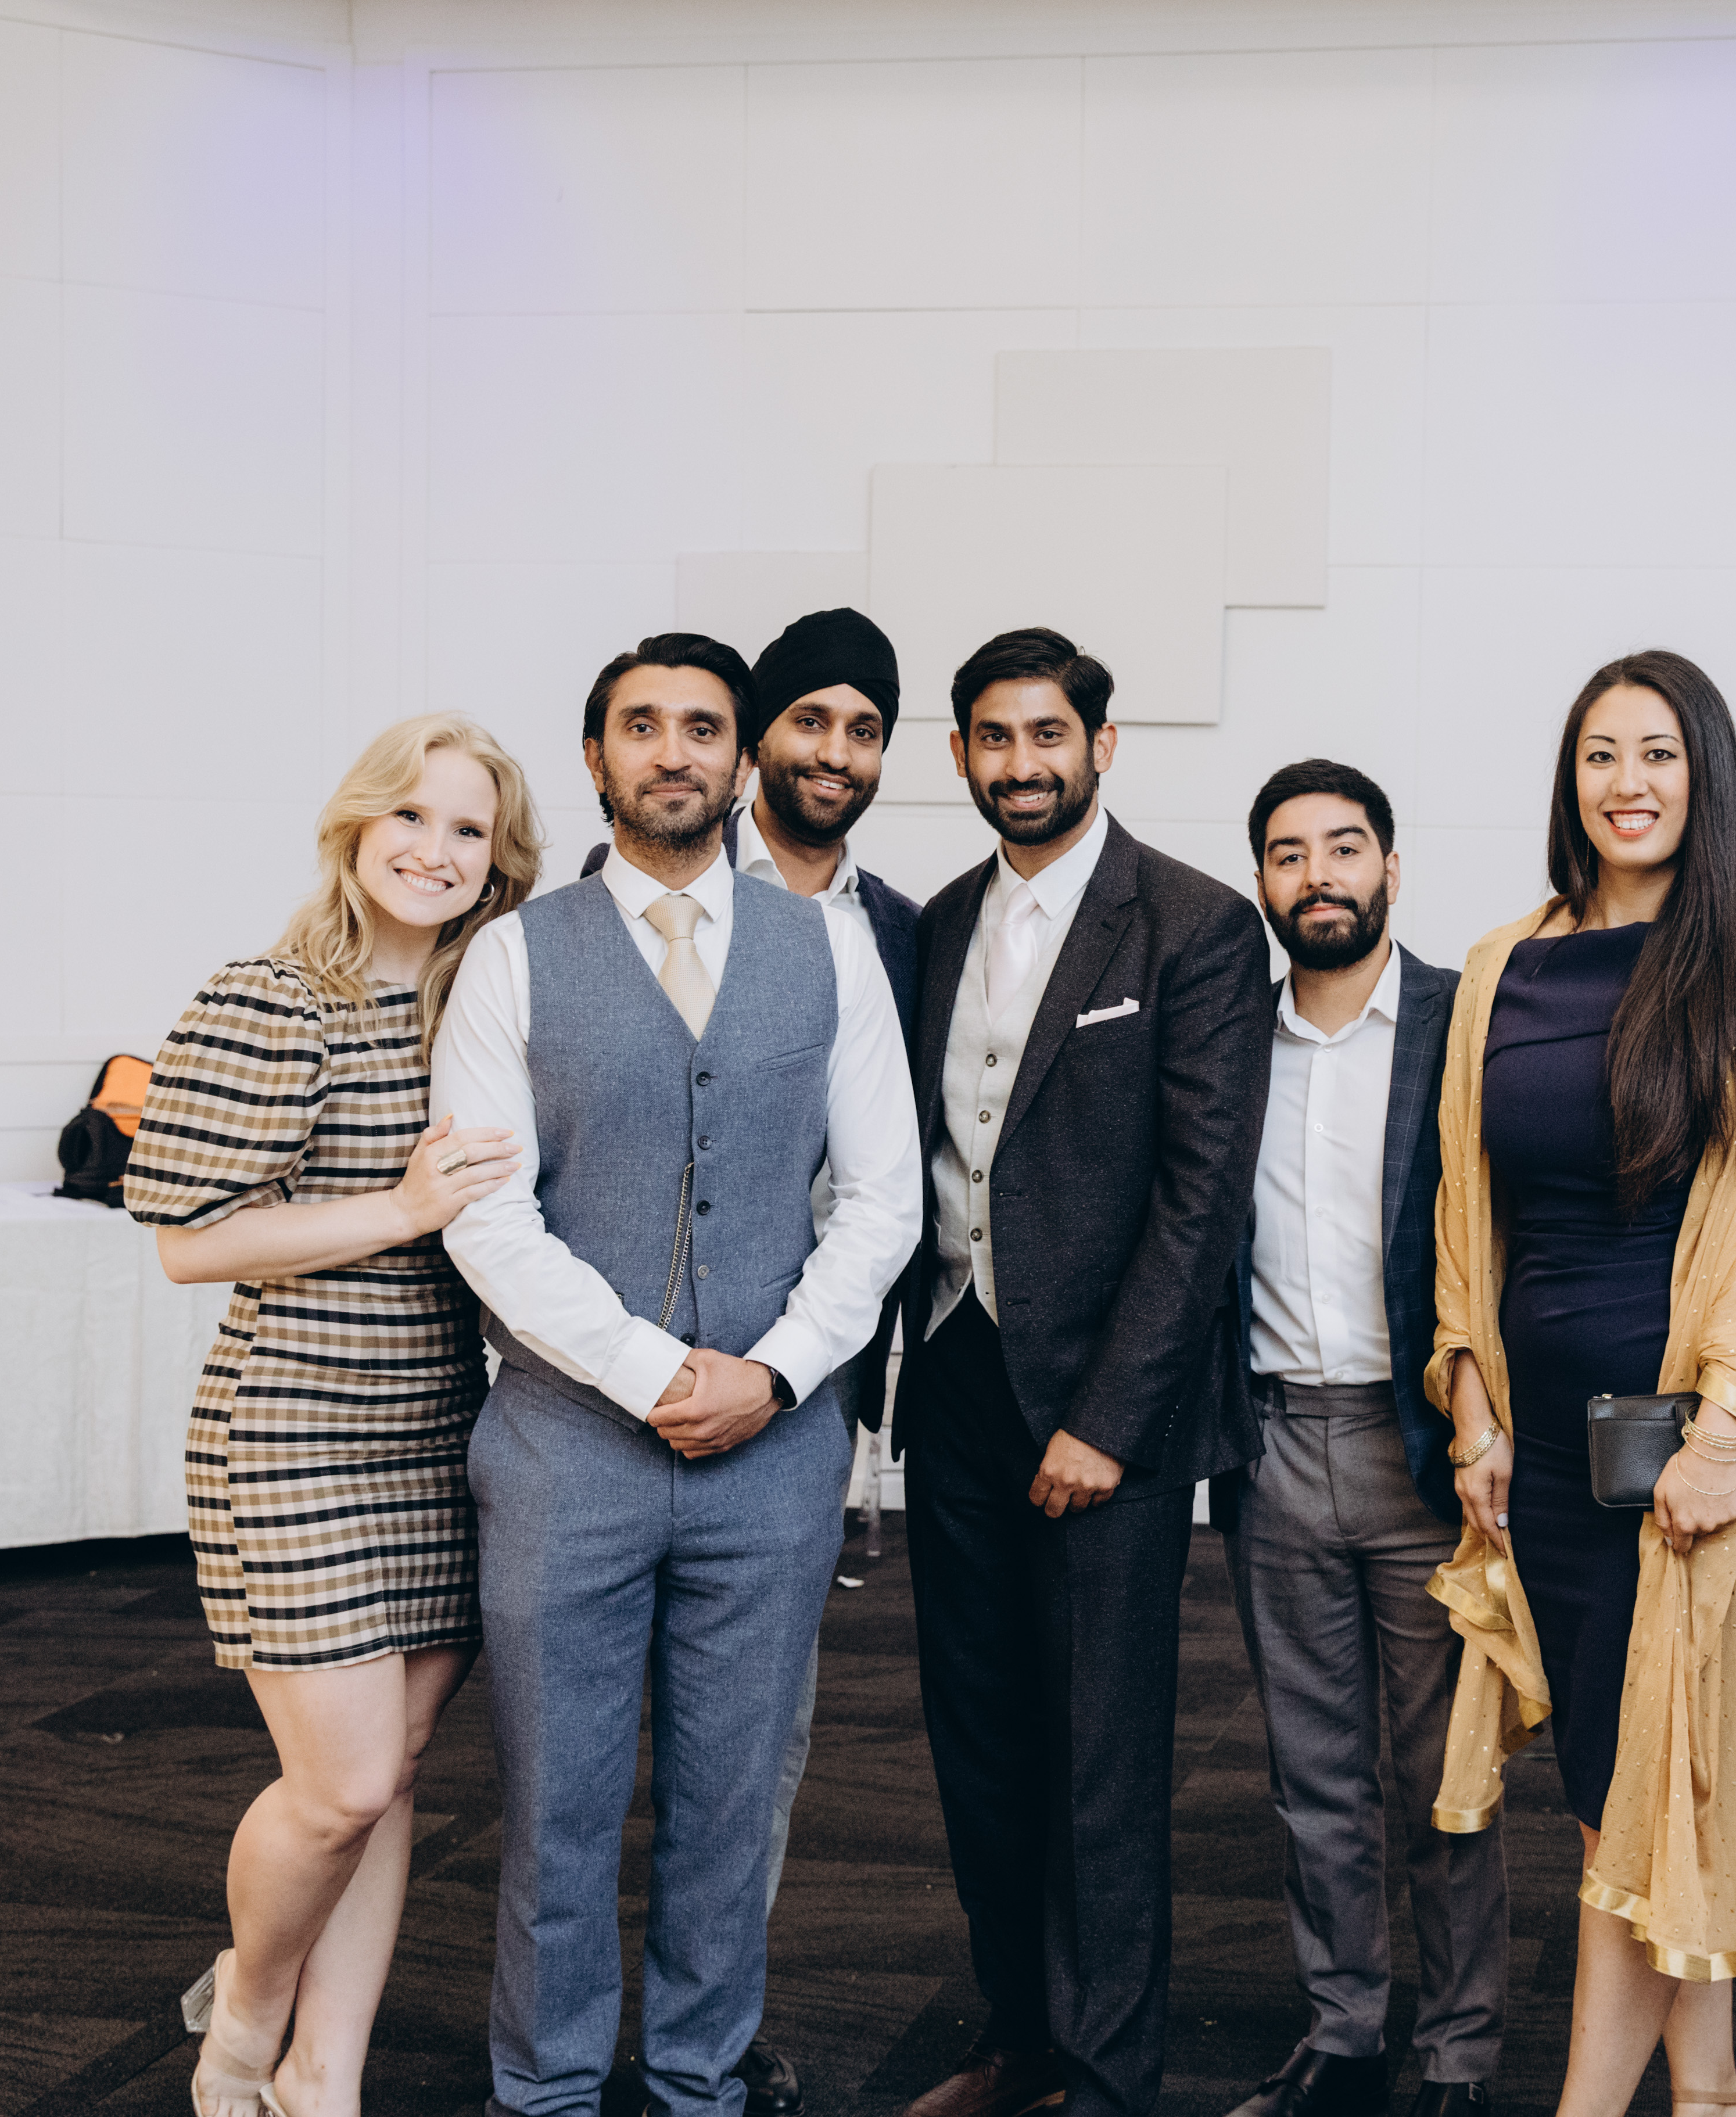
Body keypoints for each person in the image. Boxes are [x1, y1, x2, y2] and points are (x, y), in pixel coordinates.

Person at [428, 633, 922, 2117]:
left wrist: (768, 1374)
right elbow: (485, 1215)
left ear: (740, 756)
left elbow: (885, 1200)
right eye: (640, 726)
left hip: (770, 1464)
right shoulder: (514, 954)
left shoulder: (827, 946)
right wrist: (652, 1372)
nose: (673, 751)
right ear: (595, 757)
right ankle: (546, 2090)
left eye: (702, 727)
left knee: (726, 1810)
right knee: (556, 1809)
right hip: (564, 1453)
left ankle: (699, 2084)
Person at [1426, 651, 1736, 2117]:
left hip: (1683, 1452)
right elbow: (1464, 1206)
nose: (1627, 781)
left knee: (1642, 1791)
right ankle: (1706, 2087)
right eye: (1600, 753)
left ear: (1702, 773)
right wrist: (1472, 1412)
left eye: (1656, 752)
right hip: (1542, 1448)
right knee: (1639, 1775)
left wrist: (1719, 1435)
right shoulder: (1501, 965)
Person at [125, 713, 544, 2117]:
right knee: (344, 1784)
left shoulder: (483, 1009)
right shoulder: (275, 997)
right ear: (355, 824)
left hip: (442, 1432)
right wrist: (403, 1207)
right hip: (294, 1432)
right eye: (410, 815)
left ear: (500, 859)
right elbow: (188, 1241)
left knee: (398, 1773)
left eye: (468, 829)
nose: (434, 849)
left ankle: (326, 2076)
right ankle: (245, 2019)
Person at [892, 626, 1278, 2117]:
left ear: (1100, 746)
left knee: (1099, 1761)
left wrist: (1109, 1420)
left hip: (1104, 1411)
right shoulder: (936, 921)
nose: (1021, 763)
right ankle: (1018, 2037)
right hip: (954, 1380)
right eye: (993, 738)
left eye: (1046, 734)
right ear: (960, 755)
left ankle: (1108, 2077)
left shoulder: (1192, 924)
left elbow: (1198, 1200)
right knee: (980, 1740)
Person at [1215, 760, 1502, 2117]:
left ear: (1391, 867)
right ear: (1261, 882)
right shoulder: (1225, 1036)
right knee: (1311, 1775)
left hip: (1421, 1443)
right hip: (1272, 1442)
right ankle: (1342, 2032)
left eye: (1343, 847)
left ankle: (1457, 2051)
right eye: (1288, 854)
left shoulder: (1463, 1022)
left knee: (1443, 1773)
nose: (1316, 874)